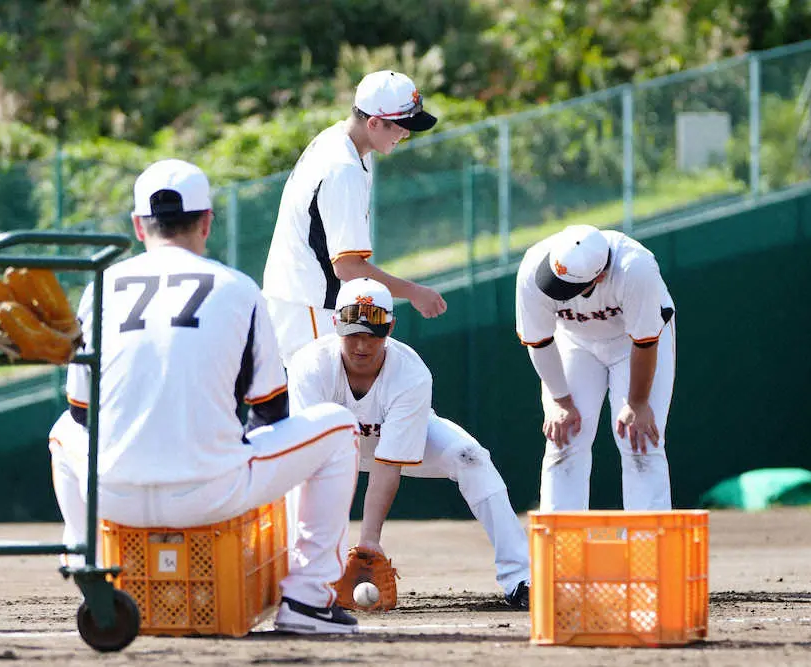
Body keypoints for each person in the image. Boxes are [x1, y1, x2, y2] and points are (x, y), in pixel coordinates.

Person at [47, 158, 363, 634]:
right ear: (207, 221)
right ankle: (307, 600)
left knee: (60, 433)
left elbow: (80, 414)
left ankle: (88, 564)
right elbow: (271, 412)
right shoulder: (238, 288)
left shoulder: (99, 289)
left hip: (111, 498)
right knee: (339, 427)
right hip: (213, 496)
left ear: (138, 225)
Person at [287, 278, 531, 609]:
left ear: (391, 327)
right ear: (335, 324)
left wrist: (370, 541)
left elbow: (388, 463)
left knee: (471, 457)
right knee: (287, 471)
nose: (362, 344)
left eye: (373, 333)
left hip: (395, 442)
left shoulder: (410, 373)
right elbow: (312, 460)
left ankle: (519, 578)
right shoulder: (310, 365)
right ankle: (300, 576)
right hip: (331, 449)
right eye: (353, 332)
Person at [262, 69, 448, 367]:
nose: (406, 133)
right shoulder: (343, 168)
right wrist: (413, 292)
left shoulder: (345, 141)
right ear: (374, 122)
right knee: (323, 406)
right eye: (401, 126)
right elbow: (347, 267)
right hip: (307, 306)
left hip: (307, 301)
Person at [514, 224, 676, 511]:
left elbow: (645, 341)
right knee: (563, 438)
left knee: (641, 440)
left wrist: (638, 403)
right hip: (575, 341)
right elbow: (539, 342)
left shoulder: (635, 268)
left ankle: (646, 546)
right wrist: (560, 400)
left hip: (634, 344)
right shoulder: (533, 267)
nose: (557, 291)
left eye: (567, 287)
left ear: (600, 276)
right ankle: (563, 546)